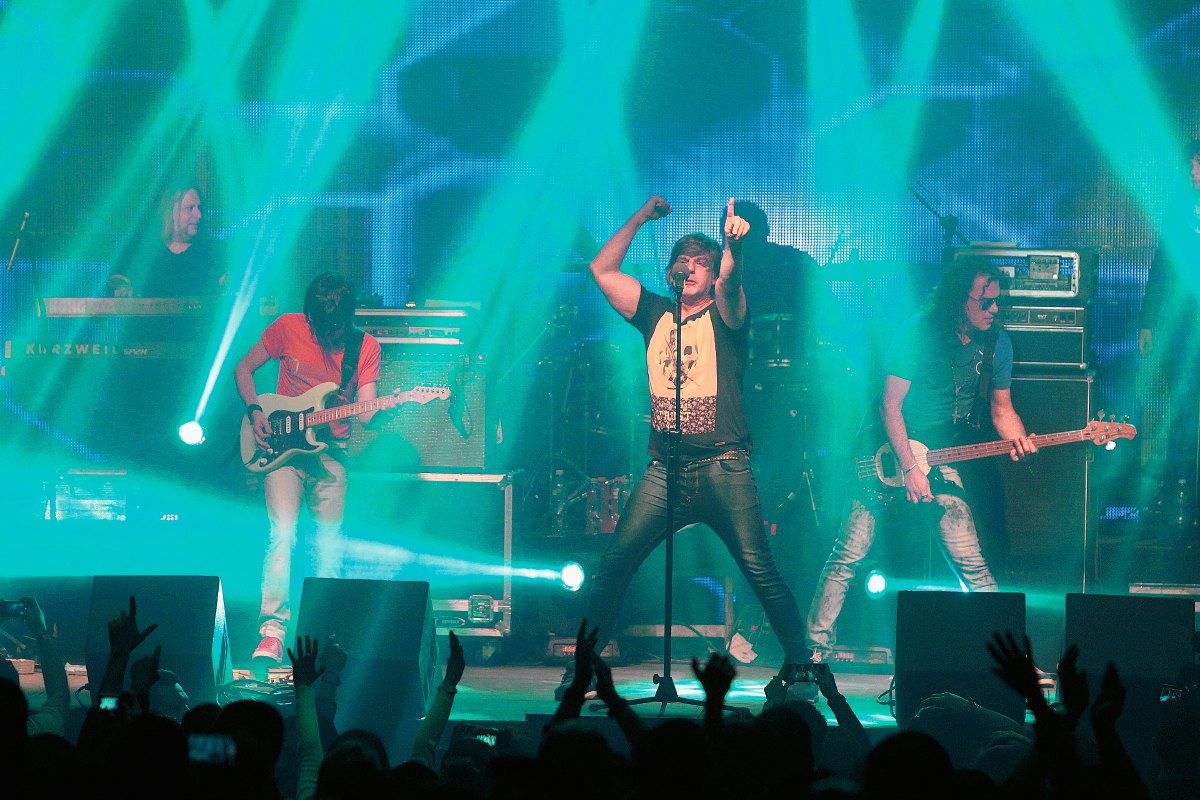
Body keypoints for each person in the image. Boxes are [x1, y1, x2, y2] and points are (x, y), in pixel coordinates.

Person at [556, 194, 808, 697]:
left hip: (724, 467)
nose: (690, 267)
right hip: (664, 470)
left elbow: (732, 282)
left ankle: (802, 665)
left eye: (702, 261)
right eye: (682, 260)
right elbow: (601, 269)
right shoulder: (654, 313)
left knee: (761, 571)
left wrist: (732, 250)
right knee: (612, 568)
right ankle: (582, 669)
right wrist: (641, 217)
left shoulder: (729, 314)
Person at [805, 257, 1037, 662]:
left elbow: (1003, 410)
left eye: (998, 302)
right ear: (957, 300)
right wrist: (910, 468)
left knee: (972, 563)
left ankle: (1014, 662)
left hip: (941, 456)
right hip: (884, 456)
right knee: (848, 556)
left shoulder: (997, 344)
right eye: (985, 302)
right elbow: (889, 407)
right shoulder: (918, 333)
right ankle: (812, 657)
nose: (994, 310)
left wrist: (1019, 440)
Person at [235, 272, 390, 664]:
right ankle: (272, 631)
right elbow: (243, 369)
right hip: (282, 451)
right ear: (310, 318)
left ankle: (324, 631)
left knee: (329, 545)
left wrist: (391, 407)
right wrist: (255, 411)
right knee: (282, 535)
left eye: (339, 327)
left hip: (330, 452)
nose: (332, 335)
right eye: (324, 328)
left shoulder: (365, 347)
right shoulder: (288, 327)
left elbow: (368, 415)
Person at [1138, 138, 1200, 529]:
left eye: (1199, 164)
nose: (1193, 171)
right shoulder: (1179, 214)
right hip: (1181, 330)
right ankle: (1178, 486)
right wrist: (1146, 322)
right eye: (1191, 164)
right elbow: (1160, 269)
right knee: (1183, 407)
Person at [109, 184, 228, 298]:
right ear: (170, 211)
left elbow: (230, 278)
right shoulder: (141, 250)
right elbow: (117, 279)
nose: (198, 215)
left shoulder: (213, 249)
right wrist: (122, 287)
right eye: (190, 208)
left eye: (199, 208)